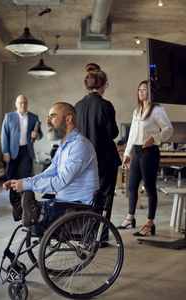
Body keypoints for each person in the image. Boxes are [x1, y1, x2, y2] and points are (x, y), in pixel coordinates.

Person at [3, 102, 99, 228]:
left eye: (52, 116)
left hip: (77, 208)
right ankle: (25, 210)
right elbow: (50, 172)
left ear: (68, 119)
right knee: (35, 207)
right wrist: (23, 182)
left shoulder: (80, 146)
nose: (47, 121)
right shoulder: (64, 145)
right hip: (62, 203)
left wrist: (27, 185)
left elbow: (60, 181)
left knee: (35, 212)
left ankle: (32, 212)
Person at [118, 80, 173, 236]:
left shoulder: (157, 110)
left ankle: (150, 223)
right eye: (139, 89)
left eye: (144, 89)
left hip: (149, 151)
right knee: (131, 186)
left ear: (151, 92)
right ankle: (130, 218)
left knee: (149, 188)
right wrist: (127, 154)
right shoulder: (137, 111)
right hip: (136, 151)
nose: (141, 92)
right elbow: (132, 135)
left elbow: (169, 129)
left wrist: (154, 138)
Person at [75, 63, 121, 229]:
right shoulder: (105, 105)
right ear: (102, 86)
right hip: (105, 159)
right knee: (105, 197)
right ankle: (101, 235)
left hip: (84, 160)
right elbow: (113, 133)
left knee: (89, 197)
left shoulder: (77, 106)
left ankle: (87, 233)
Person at [1, 94, 43, 220]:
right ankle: (16, 207)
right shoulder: (9, 117)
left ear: (27, 103)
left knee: (25, 178)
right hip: (12, 152)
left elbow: (39, 134)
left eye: (25, 103)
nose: (23, 105)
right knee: (12, 178)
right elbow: (4, 135)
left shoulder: (34, 117)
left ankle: (25, 207)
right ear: (16, 104)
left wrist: (36, 135)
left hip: (26, 151)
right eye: (21, 103)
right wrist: (5, 152)